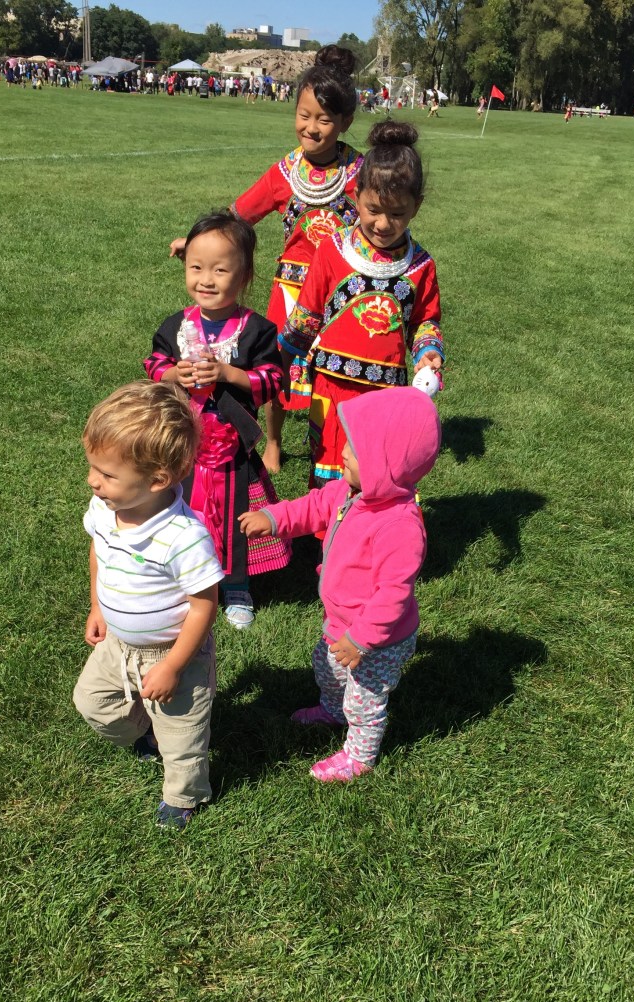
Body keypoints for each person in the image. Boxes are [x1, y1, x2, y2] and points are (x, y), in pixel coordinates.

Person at [169, 45, 363, 475]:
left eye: (324, 119)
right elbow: (239, 214)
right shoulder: (285, 172)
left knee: (331, 371)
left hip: (341, 291)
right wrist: (196, 241)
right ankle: (273, 441)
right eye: (304, 115)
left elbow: (382, 214)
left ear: (346, 122)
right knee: (275, 366)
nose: (311, 127)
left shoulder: (359, 174)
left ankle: (332, 444)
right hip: (292, 288)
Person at [240, 387, 440, 781]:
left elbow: (393, 595)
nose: (344, 452)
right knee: (327, 667)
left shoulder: (399, 526)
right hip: (341, 621)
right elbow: (312, 506)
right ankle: (332, 711)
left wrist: (362, 639)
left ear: (388, 464)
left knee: (364, 698)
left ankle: (359, 757)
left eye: (358, 449)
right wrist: (274, 518)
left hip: (378, 638)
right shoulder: (352, 492)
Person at [73, 381, 225, 831]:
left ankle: (182, 796)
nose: (92, 480)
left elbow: (204, 604)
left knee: (183, 737)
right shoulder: (104, 508)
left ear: (157, 480)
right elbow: (99, 551)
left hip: (174, 653)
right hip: (118, 645)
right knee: (92, 703)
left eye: (106, 474)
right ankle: (146, 733)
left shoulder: (183, 537)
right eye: (92, 466)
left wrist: (174, 666)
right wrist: (97, 607)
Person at [145, 212, 292, 630]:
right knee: (182, 512)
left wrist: (228, 373)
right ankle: (184, 580)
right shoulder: (176, 325)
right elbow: (153, 364)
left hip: (233, 450)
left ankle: (236, 585)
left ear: (244, 276)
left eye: (220, 270)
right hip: (184, 445)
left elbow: (274, 378)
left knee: (235, 516)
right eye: (196, 267)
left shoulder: (257, 330)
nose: (206, 280)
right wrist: (174, 374)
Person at [279, 120, 444, 489]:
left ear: (416, 207)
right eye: (373, 210)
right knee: (327, 473)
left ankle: (371, 526)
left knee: (376, 473)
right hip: (331, 388)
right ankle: (325, 527)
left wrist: (428, 352)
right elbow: (306, 316)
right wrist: (282, 363)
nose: (383, 224)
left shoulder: (420, 266)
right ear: (356, 197)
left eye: (397, 213)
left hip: (386, 394)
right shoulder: (333, 250)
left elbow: (425, 322)